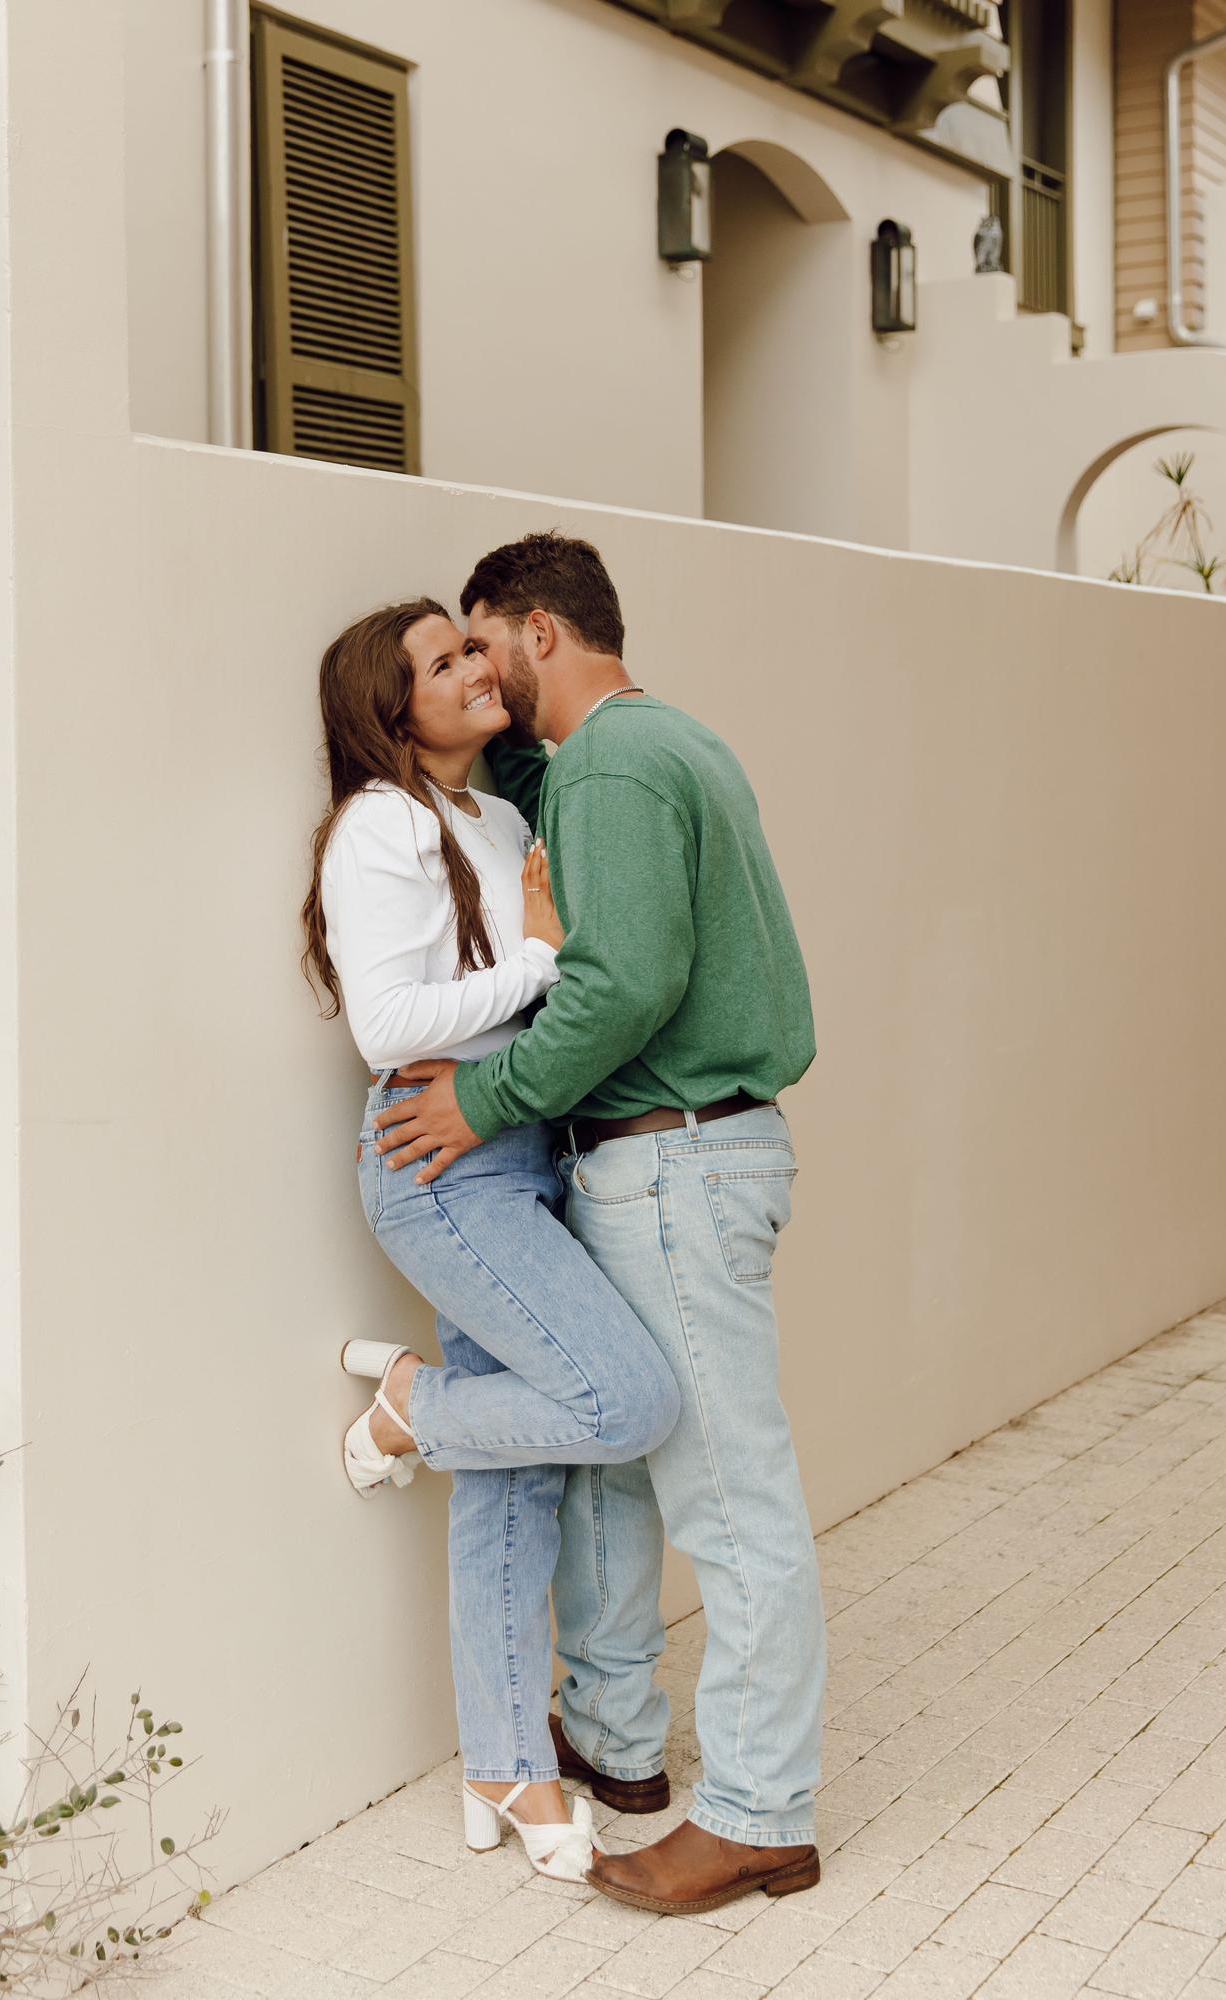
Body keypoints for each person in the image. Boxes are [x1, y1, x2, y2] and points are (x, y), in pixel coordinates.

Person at [373, 534, 827, 1917]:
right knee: (620, 1470)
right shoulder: (647, 750)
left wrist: (484, 1096)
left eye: (479, 643)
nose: (471, 668)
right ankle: (622, 1747)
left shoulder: (619, 770)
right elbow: (540, 799)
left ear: (536, 634)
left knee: (729, 1505)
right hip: (673, 1159)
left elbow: (621, 985)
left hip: (672, 1163)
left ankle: (756, 1814)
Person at [301, 597, 681, 1886]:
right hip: (433, 1152)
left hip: (517, 1145)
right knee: (624, 1399)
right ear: (388, 705)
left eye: (474, 647)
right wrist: (536, 960)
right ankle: (410, 1402)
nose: (476, 666)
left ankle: (504, 1765)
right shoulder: (381, 827)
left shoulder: (501, 817)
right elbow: (391, 1025)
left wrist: (539, 964)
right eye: (441, 661)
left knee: (517, 1473)